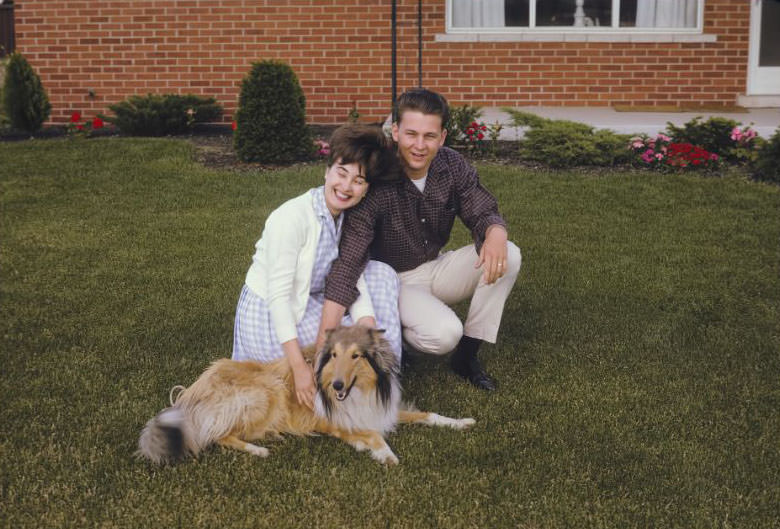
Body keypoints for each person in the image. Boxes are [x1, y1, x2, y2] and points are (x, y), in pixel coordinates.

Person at [320, 88, 521, 391]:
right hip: (393, 282)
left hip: (435, 266)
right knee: (444, 334)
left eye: (429, 136)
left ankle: (467, 356)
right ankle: (401, 339)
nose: (419, 145)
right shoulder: (377, 175)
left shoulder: (451, 165)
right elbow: (349, 260)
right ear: (396, 131)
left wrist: (495, 231)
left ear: (442, 137)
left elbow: (481, 208)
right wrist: (325, 341)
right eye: (411, 134)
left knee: (510, 254)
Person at [232, 124, 402, 409]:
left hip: (307, 300)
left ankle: (380, 377)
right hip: (270, 316)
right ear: (327, 170)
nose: (346, 187)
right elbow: (278, 297)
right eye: (341, 173)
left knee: (381, 277)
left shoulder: (348, 217)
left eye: (358, 181)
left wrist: (366, 321)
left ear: (366, 188)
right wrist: (299, 368)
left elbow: (352, 275)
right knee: (343, 348)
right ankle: (342, 385)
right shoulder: (291, 217)